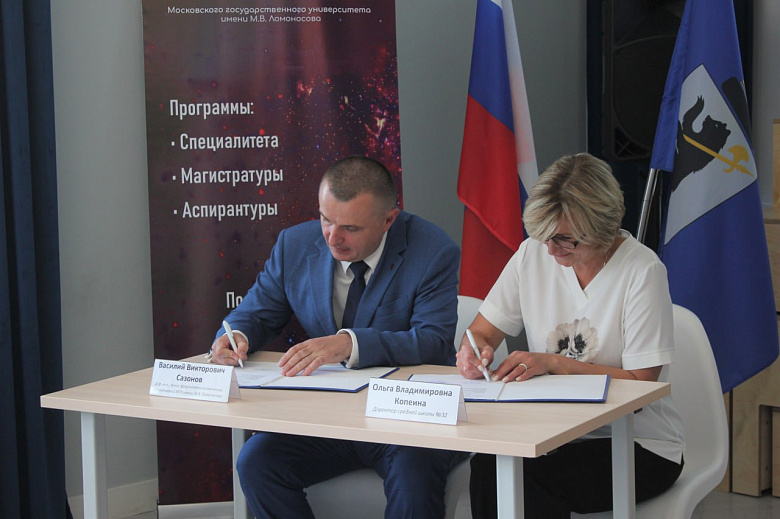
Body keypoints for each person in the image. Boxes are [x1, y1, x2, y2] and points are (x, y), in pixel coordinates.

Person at [208, 155, 468, 518]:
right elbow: (256, 312)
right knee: (257, 460)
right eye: (325, 220)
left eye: (350, 228)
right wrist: (234, 335)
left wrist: (349, 343)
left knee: (413, 477)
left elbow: (433, 340)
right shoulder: (294, 245)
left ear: (388, 220)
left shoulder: (432, 251)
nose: (333, 237)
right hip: (328, 417)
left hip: (408, 418)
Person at [458, 153, 685, 518]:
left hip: (638, 442)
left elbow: (642, 384)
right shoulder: (533, 255)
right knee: (488, 466)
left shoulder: (642, 271)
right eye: (544, 236)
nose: (550, 250)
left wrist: (554, 364)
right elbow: (481, 331)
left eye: (564, 239)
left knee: (531, 479)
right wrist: (473, 351)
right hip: (553, 431)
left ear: (602, 227)